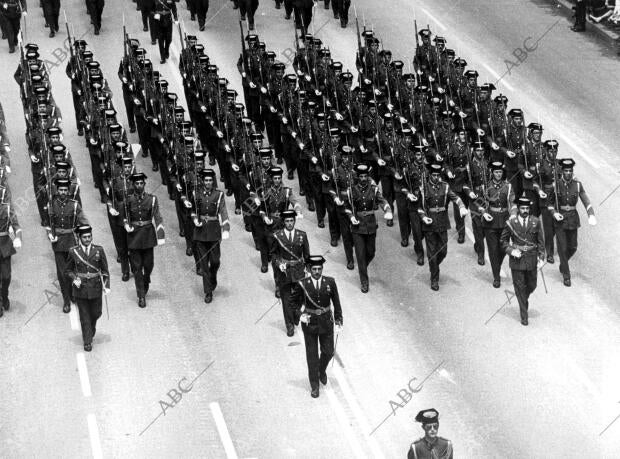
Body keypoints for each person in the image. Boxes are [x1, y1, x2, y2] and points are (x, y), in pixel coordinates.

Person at [292, 255, 342, 399]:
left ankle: (321, 370)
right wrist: (300, 314)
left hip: (326, 321)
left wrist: (339, 320)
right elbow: (293, 303)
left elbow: (336, 302)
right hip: (310, 323)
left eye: (319, 269)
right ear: (309, 269)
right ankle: (314, 385)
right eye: (314, 269)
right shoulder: (303, 284)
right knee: (312, 357)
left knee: (329, 351)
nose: (317, 271)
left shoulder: (330, 282)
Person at [418, 163, 468, 291]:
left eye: (437, 175)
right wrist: (423, 217)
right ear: (430, 175)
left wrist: (461, 206)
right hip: (429, 223)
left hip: (442, 223)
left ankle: (433, 266)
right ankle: (434, 279)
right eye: (433, 175)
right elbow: (419, 207)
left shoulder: (445, 187)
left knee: (443, 251)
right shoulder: (424, 188)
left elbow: (455, 198)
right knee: (431, 253)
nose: (436, 177)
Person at [546, 158, 596, 287]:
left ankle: (563, 264)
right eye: (566, 170)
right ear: (562, 171)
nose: (568, 173)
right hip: (560, 220)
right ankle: (566, 276)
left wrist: (591, 214)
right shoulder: (555, 184)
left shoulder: (577, 184)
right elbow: (549, 203)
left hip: (573, 219)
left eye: (570, 170)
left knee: (573, 247)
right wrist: (554, 213)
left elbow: (585, 200)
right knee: (562, 248)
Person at [345, 164, 392, 293]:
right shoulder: (351, 190)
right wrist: (351, 217)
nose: (364, 178)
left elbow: (382, 201)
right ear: (357, 177)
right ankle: (364, 282)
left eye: (366, 176)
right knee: (360, 255)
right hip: (357, 226)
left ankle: (362, 268)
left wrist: (387, 210)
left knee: (371, 252)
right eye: (361, 176)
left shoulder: (374, 189)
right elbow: (347, 206)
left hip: (371, 224)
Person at [44, 178, 89, 313]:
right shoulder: (51, 205)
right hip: (58, 243)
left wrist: (85, 237)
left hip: (72, 241)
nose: (63, 192)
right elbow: (47, 224)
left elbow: (84, 222)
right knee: (63, 274)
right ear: (57, 191)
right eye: (60, 190)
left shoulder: (74, 205)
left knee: (74, 271)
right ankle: (66, 300)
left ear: (68, 191)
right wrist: (50, 235)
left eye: (65, 190)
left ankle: (74, 295)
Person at [121, 172, 165, 308]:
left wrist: (161, 233)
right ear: (133, 185)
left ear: (144, 184)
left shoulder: (152, 199)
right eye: (136, 183)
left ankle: (146, 281)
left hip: (147, 235)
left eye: (141, 183)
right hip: (134, 236)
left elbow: (157, 216)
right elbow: (124, 217)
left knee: (149, 265)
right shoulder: (128, 200)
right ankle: (141, 295)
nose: (139, 185)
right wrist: (126, 225)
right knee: (137, 268)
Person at [500, 197, 545, 326]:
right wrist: (511, 251)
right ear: (518, 209)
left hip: (531, 259)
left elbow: (541, 242)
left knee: (532, 285)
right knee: (519, 288)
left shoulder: (536, 221)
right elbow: (503, 241)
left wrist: (541, 258)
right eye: (522, 208)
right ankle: (524, 316)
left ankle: (523, 299)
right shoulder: (511, 222)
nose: (525, 211)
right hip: (517, 260)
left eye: (527, 208)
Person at [65, 225, 110, 352]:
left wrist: (106, 286)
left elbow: (105, 270)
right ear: (80, 238)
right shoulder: (73, 252)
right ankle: (87, 341)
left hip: (96, 287)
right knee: (84, 316)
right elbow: (68, 270)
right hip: (81, 290)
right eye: (84, 237)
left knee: (96, 313)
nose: (87, 239)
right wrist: (74, 278)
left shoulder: (98, 250)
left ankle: (91, 329)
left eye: (89, 236)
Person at [191, 168, 230, 304]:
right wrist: (195, 219)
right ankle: (208, 292)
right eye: (206, 180)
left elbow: (223, 211)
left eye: (210, 180)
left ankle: (213, 277)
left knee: (215, 261)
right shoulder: (196, 193)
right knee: (204, 265)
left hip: (213, 231)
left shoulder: (219, 195)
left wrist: (226, 228)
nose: (208, 183)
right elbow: (192, 210)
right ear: (202, 181)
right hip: (200, 232)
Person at [270, 209, 310, 336]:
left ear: (294, 221)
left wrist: (308, 270)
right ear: (284, 222)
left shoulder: (302, 235)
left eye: (291, 220)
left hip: (298, 270)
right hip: (285, 272)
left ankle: (296, 316)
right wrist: (278, 264)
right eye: (287, 221)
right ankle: (289, 325)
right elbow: (274, 254)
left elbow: (307, 255)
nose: (289, 223)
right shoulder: (278, 236)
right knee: (286, 299)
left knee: (298, 298)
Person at [0, 199, 22, 317]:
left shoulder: (6, 208)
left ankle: (4, 295)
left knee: (6, 276)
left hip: (4, 245)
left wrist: (18, 237)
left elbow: (16, 226)